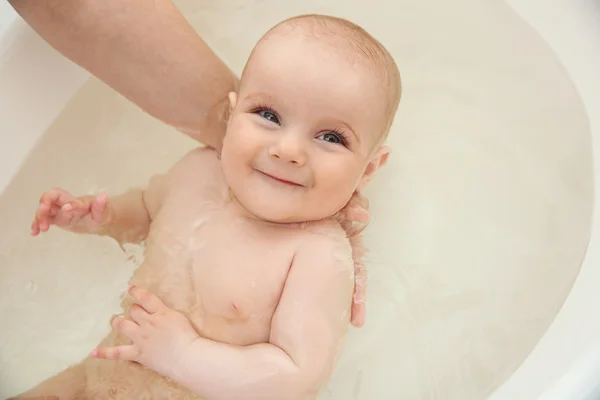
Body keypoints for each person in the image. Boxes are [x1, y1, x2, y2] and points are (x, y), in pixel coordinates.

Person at [15, 14, 401, 400]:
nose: (289, 150)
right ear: (231, 115)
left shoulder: (316, 253)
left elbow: (297, 379)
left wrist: (183, 356)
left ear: (368, 169)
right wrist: (101, 217)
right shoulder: (198, 170)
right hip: (95, 376)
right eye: (268, 115)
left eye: (330, 137)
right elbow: (147, 213)